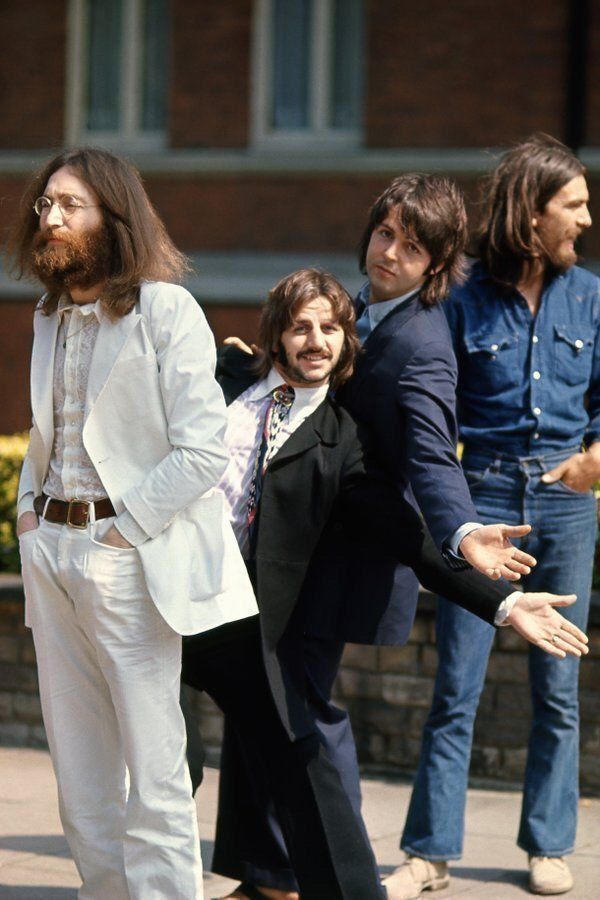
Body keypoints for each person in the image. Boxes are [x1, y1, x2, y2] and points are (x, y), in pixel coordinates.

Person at [196, 265, 588, 900]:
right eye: (300, 327)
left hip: (254, 617)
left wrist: (505, 600)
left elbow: (412, 538)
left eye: (330, 328)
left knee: (300, 749)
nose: (316, 340)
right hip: (172, 601)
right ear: (275, 336)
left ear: (348, 343)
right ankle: (250, 879)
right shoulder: (224, 380)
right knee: (174, 747)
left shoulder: (342, 442)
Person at [9, 147, 258, 899]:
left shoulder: (165, 308)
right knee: (79, 764)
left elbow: (203, 444)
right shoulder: (48, 316)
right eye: (45, 204)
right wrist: (28, 516)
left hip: (125, 554)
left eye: (68, 205)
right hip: (50, 548)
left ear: (112, 217)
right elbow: (49, 433)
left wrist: (125, 530)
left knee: (153, 768)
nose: (48, 217)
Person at [391, 135, 600, 898]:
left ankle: (549, 845)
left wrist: (595, 459)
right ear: (531, 211)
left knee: (558, 683)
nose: (585, 217)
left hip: (567, 505)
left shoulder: (594, 295)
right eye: (572, 204)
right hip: (480, 504)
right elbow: (429, 407)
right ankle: (429, 851)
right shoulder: (460, 297)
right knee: (457, 684)